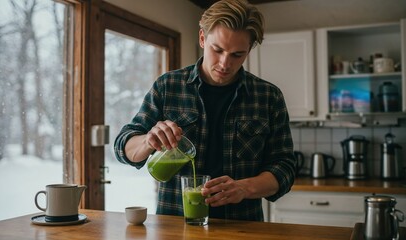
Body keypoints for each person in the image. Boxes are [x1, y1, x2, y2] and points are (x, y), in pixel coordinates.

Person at [114, 0, 296, 221]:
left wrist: (244, 188)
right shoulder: (168, 86)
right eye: (217, 50)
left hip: (242, 227)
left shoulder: (268, 97)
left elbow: (285, 167)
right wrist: (147, 140)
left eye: (237, 55)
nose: (224, 63)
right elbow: (123, 148)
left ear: (249, 50)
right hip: (175, 227)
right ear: (202, 38)